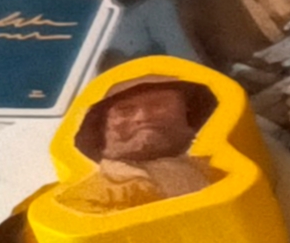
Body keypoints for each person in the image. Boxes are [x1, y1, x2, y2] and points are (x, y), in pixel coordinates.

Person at [61, 77, 220, 211]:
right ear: (101, 127)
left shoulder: (215, 173)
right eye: (125, 110)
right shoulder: (85, 199)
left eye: (158, 105)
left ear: (186, 113)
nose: (143, 117)